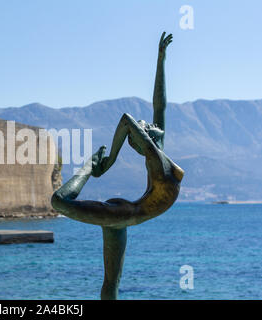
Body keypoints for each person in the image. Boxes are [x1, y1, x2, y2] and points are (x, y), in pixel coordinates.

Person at [51, 32, 184, 300]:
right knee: (59, 202)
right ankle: (88, 167)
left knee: (112, 282)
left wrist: (161, 61)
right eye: (147, 129)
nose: (151, 125)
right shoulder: (155, 158)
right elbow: (126, 121)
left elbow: (160, 106)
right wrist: (106, 161)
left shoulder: (159, 154)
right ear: (142, 141)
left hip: (125, 214)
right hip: (123, 214)